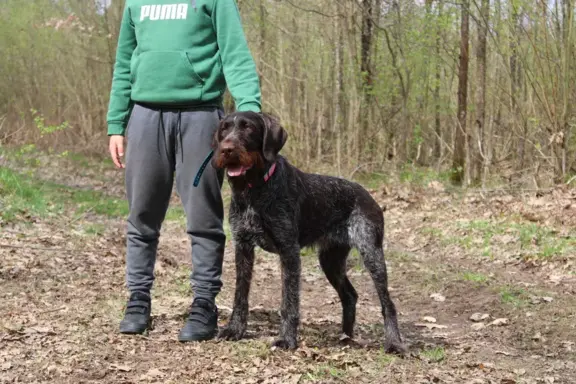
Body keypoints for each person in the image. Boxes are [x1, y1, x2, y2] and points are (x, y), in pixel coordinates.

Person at [106, 0, 261, 342]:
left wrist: (250, 117)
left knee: (203, 217)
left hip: (201, 117)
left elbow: (235, 54)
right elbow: (124, 63)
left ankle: (204, 303)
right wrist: (117, 122)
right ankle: (138, 300)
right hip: (145, 116)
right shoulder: (136, 4)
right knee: (142, 214)